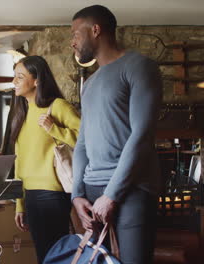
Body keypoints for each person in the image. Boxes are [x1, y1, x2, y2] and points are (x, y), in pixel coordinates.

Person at [70, 5, 163, 264]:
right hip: (91, 193)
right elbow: (82, 144)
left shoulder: (139, 67)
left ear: (96, 30)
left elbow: (141, 135)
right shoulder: (88, 84)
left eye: (76, 34)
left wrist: (111, 195)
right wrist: (76, 195)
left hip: (132, 189)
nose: (72, 42)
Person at [11, 55, 80, 264]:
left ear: (37, 80)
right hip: (30, 194)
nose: (14, 82)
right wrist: (19, 204)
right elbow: (19, 162)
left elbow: (87, 140)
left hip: (53, 194)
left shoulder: (57, 106)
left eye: (20, 77)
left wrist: (55, 130)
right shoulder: (22, 112)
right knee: (44, 254)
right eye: (14, 76)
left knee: (54, 254)